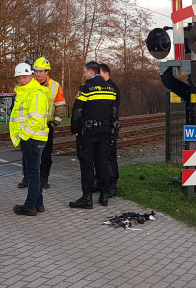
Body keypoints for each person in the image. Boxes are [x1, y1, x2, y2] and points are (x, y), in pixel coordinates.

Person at [69, 61, 117, 209]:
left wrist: (74, 128)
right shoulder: (110, 89)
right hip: (105, 132)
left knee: (87, 163)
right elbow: (114, 112)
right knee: (102, 162)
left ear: (90, 72)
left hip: (87, 133)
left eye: (84, 72)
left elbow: (77, 110)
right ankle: (104, 196)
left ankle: (87, 197)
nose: (83, 74)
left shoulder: (86, 89)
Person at [17, 57, 66, 190]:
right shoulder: (29, 84)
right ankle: (27, 177)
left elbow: (60, 105)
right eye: (36, 71)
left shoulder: (55, 86)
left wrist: (55, 122)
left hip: (46, 125)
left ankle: (44, 178)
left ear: (46, 72)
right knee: (27, 153)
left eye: (41, 71)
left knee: (45, 154)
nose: (38, 74)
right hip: (30, 124)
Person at [10, 62, 52, 215]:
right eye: (19, 77)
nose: (22, 80)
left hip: (31, 138)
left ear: (31, 76)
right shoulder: (27, 92)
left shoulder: (34, 93)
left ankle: (29, 206)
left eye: (25, 77)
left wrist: (23, 135)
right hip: (30, 137)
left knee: (32, 172)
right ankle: (38, 203)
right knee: (32, 170)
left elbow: (36, 119)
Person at [97, 63, 120, 197]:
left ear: (106, 74)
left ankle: (112, 183)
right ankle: (101, 181)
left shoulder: (112, 87)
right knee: (100, 156)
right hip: (102, 126)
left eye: (99, 75)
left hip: (110, 126)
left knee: (110, 156)